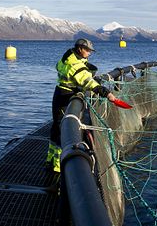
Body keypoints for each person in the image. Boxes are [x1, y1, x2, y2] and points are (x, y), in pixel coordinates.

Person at [46, 38, 116, 173]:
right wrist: (106, 93)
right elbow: (87, 81)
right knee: (63, 129)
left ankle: (51, 159)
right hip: (65, 97)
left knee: (56, 127)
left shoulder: (67, 57)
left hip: (59, 93)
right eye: (88, 50)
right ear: (80, 49)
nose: (89, 53)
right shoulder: (75, 65)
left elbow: (58, 66)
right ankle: (58, 167)